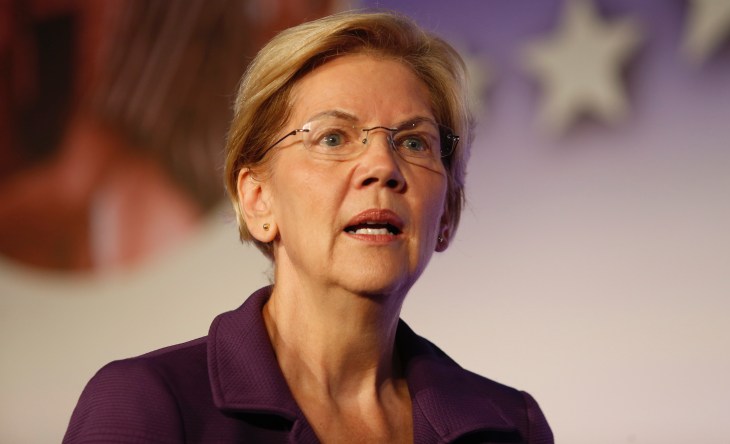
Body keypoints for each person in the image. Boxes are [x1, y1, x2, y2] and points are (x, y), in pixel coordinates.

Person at [64, 10, 554, 443]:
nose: (382, 166)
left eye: (414, 143)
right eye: (334, 137)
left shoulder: (511, 427)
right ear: (258, 200)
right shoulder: (147, 408)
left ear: (446, 214)